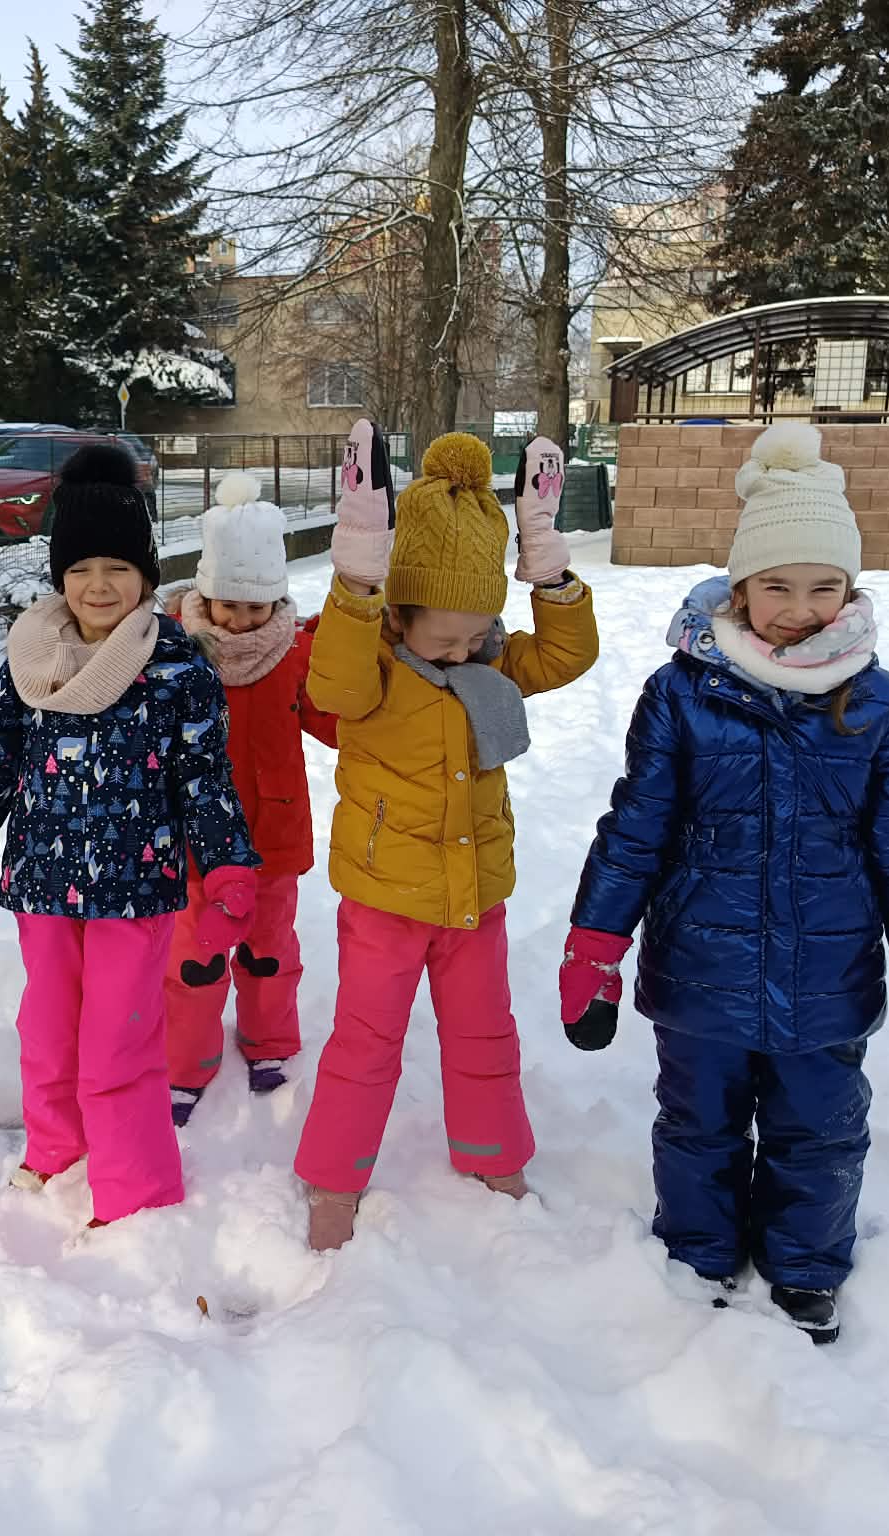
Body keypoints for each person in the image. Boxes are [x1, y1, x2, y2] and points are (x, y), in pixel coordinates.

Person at [562, 422, 889, 1345]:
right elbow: (637, 829)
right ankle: (699, 1249)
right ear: (740, 588)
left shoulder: (877, 704)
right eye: (777, 586)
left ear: (851, 591)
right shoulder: (682, 694)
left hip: (827, 977)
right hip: (700, 971)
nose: (800, 609)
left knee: (819, 1130)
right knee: (696, 1124)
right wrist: (595, 950)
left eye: (824, 587)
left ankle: (805, 1264)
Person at [0, 443, 260, 1225]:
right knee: (47, 1030)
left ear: (146, 577)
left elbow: (205, 779)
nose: (99, 585)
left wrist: (229, 868)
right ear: (60, 576)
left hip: (137, 891)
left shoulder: (177, 668)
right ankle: (55, 1146)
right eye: (81, 568)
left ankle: (135, 1188)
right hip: (43, 885)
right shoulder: (28, 663)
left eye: (118, 568)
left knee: (118, 1041)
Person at [294, 422, 598, 1250]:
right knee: (366, 1044)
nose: (465, 652)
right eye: (445, 638)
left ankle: (493, 1155)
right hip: (385, 901)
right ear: (398, 615)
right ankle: (334, 1176)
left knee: (484, 1032)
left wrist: (550, 572)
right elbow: (330, 684)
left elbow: (567, 658)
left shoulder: (492, 664)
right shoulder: (372, 671)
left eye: (477, 634)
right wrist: (356, 578)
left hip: (474, 897)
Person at [160, 471, 337, 1125]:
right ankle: (186, 1062)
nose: (240, 620)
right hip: (194, 846)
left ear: (277, 599)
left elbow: (333, 723)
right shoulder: (172, 653)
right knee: (193, 960)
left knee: (269, 952)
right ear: (204, 593)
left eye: (256, 607)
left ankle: (269, 1041)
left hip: (273, 841)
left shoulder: (294, 653)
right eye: (227, 604)